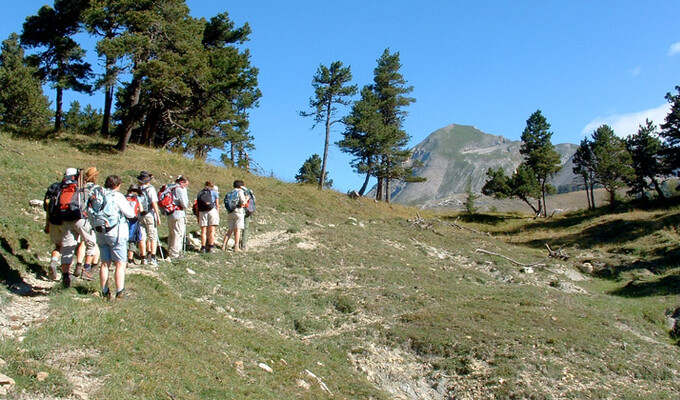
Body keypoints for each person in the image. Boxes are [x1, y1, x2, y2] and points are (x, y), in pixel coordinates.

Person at [95, 175, 136, 300]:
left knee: (104, 263)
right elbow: (130, 213)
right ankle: (120, 292)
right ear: (117, 185)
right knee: (120, 263)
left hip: (100, 232)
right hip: (116, 233)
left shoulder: (99, 195)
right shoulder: (117, 197)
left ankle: (105, 291)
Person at [58, 168, 97, 288]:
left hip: (65, 219)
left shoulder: (62, 187)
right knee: (91, 243)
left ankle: (65, 275)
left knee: (67, 247)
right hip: (80, 219)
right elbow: (93, 204)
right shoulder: (82, 189)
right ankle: (86, 269)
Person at [137, 171, 161, 265]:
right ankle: (152, 257)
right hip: (150, 215)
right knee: (152, 236)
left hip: (140, 215)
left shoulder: (138, 189)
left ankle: (143, 258)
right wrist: (158, 216)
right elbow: (154, 203)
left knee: (142, 236)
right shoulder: (150, 189)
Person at [166, 175, 190, 261]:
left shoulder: (170, 188)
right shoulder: (180, 189)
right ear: (181, 182)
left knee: (172, 233)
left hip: (170, 213)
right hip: (178, 213)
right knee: (178, 233)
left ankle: (170, 250)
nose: (186, 186)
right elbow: (184, 204)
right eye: (186, 184)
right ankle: (175, 254)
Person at [221, 180, 247, 252]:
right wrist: (246, 199)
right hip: (238, 211)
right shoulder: (240, 191)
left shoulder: (230, 193)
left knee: (230, 230)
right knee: (238, 229)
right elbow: (242, 201)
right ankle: (236, 246)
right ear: (240, 186)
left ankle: (223, 245)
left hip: (230, 212)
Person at [197, 181, 219, 253]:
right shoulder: (214, 193)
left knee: (203, 231)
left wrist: (198, 215)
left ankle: (203, 247)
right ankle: (211, 247)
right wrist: (217, 214)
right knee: (211, 231)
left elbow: (197, 205)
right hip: (212, 211)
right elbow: (217, 204)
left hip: (202, 212)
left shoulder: (200, 193)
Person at [125, 185, 143, 265]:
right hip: (134, 220)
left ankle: (122, 258)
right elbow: (141, 210)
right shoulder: (137, 198)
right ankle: (130, 258)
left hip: (124, 220)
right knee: (132, 240)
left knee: (124, 239)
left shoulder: (124, 197)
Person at [239, 183, 255, 251]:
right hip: (248, 210)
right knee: (246, 227)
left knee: (238, 227)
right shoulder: (249, 191)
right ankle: (244, 245)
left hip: (240, 210)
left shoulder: (238, 190)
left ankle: (237, 244)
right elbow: (254, 200)